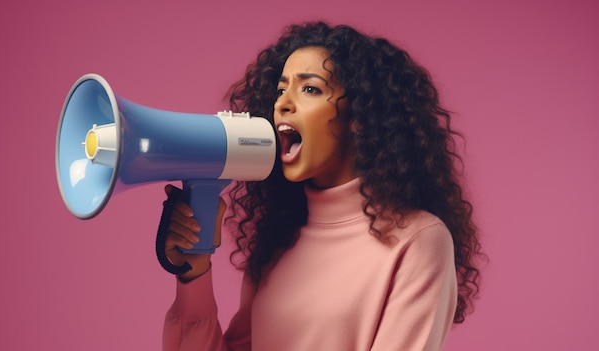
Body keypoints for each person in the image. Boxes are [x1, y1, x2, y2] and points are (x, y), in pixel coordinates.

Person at [160, 21, 483, 351]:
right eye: (281, 89)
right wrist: (194, 272)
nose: (282, 104)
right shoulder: (278, 241)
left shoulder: (418, 239)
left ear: (359, 115)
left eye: (310, 89)